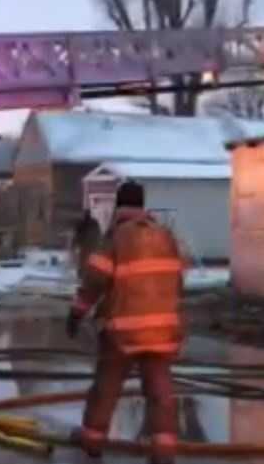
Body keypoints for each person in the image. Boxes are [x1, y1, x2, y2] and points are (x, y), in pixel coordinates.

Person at [68, 181, 184, 464]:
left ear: (119, 205)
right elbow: (178, 282)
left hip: (122, 332)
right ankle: (163, 451)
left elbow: (95, 281)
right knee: (160, 392)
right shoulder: (166, 236)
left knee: (106, 388)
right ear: (143, 206)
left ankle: (93, 443)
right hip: (162, 330)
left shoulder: (116, 238)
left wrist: (77, 313)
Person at [72, 209, 103, 281]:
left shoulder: (81, 224)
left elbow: (77, 237)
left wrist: (75, 245)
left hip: (87, 247)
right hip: (92, 247)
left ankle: (85, 276)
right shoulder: (94, 224)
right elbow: (98, 235)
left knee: (86, 261)